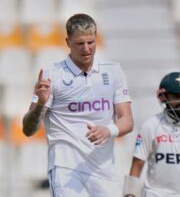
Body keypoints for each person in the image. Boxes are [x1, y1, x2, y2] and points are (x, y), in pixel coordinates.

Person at [22, 13, 133, 197]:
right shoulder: (53, 75)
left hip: (104, 170)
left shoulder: (113, 71)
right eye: (80, 43)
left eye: (91, 42)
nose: (87, 49)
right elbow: (28, 129)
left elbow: (127, 120)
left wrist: (108, 130)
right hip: (66, 170)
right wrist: (41, 103)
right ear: (67, 42)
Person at [123, 72, 180, 197]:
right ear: (163, 97)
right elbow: (137, 166)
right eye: (176, 96)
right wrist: (129, 195)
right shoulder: (150, 126)